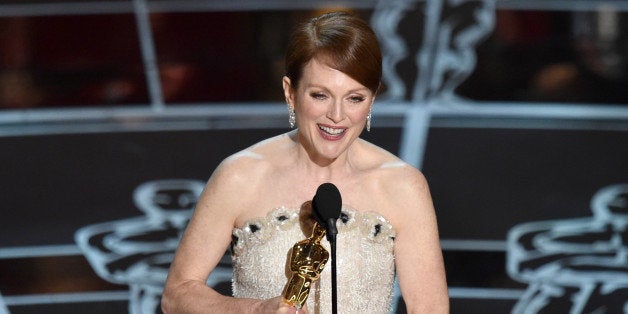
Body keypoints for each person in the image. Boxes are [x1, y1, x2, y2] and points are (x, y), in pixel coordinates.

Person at [161, 11, 449, 313]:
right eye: (320, 95)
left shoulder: (402, 186)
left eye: (354, 98)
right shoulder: (240, 176)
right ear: (290, 92)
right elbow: (177, 295)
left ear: (373, 99)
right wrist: (255, 310)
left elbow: (429, 308)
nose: (337, 116)